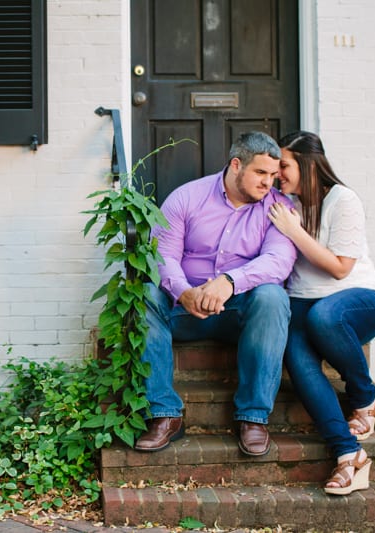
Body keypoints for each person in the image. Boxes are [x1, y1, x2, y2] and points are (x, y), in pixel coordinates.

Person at [133, 131, 297, 456]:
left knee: (273, 297)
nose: (268, 183)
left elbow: (278, 261)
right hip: (184, 312)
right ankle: (164, 414)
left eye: (273, 175)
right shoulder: (187, 197)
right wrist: (183, 292)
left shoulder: (278, 207)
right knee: (146, 292)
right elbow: (161, 254)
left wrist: (230, 282)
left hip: (239, 314)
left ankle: (253, 418)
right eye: (260, 173)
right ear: (236, 165)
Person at [267, 130, 375, 495]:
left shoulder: (342, 199)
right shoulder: (282, 201)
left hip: (358, 300)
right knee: (296, 356)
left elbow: (339, 268)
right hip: (304, 302)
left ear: (307, 163)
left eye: (284, 166)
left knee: (324, 316)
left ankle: (364, 395)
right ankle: (349, 455)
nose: (278, 175)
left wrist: (293, 229)